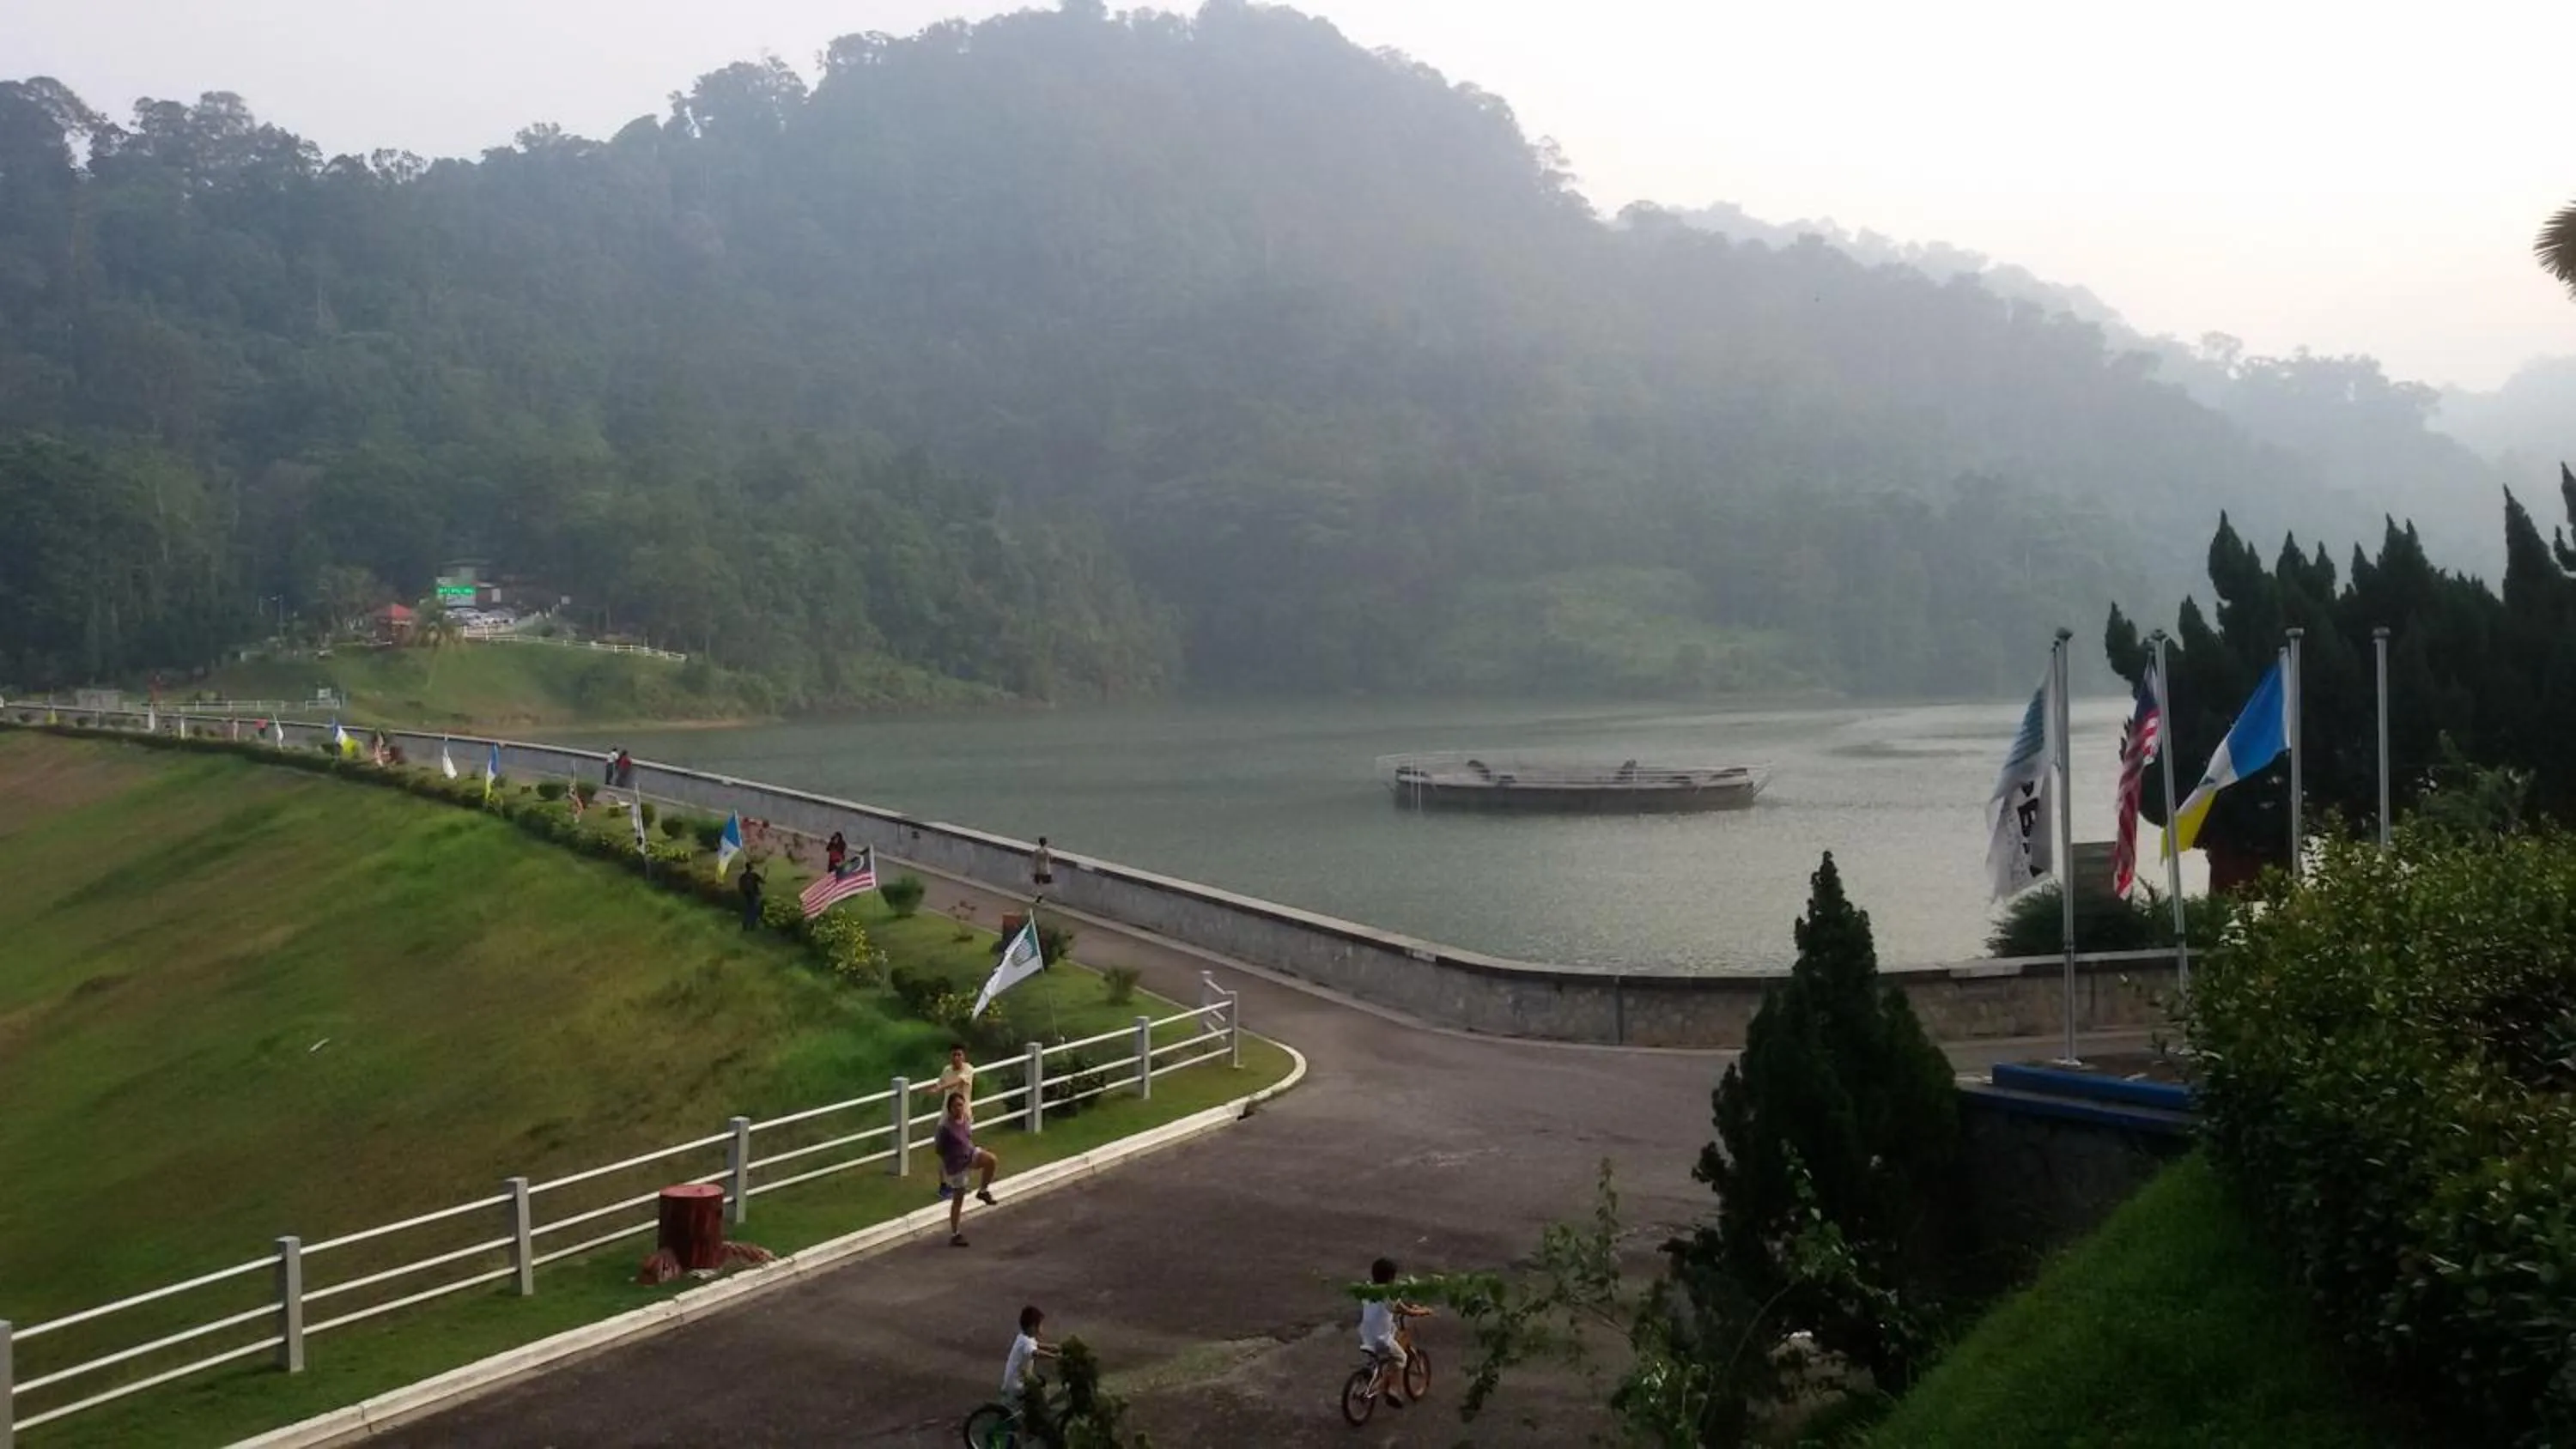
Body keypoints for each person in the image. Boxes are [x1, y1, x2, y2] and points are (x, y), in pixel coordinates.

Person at [1358, 1257, 1430, 1407]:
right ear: (1391, 1278)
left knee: (1387, 1342)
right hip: (1381, 1339)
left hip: (1366, 1335)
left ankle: (1377, 1375)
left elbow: (1395, 1306)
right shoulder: (1389, 1297)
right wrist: (1423, 1311)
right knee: (1401, 1358)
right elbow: (1406, 1311)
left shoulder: (1368, 1290)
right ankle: (1392, 1390)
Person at [933, 1092, 999, 1246]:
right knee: (958, 1199)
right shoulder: (945, 1128)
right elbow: (939, 1149)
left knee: (991, 1160)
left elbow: (968, 1136)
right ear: (949, 1108)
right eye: (955, 1106)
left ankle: (983, 1191)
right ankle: (955, 1234)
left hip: (970, 1154)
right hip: (957, 1165)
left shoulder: (965, 1119)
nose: (959, 1108)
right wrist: (950, 1160)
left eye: (961, 1105)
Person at [1000, 1304, 1059, 1408]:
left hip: (1017, 1380)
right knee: (1038, 1394)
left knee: (1039, 1384)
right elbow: (1035, 1352)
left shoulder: (1024, 1336)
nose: (1042, 1328)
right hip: (1017, 1384)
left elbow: (1035, 1345)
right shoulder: (1025, 1341)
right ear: (1032, 1327)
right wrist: (1054, 1357)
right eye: (1040, 1325)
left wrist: (1052, 1347)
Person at [936, 1043, 975, 1124]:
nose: (956, 1058)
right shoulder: (947, 1070)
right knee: (942, 1130)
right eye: (954, 1055)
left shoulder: (968, 1069)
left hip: (963, 1111)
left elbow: (958, 1081)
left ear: (964, 1057)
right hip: (947, 1111)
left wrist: (941, 1088)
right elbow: (939, 1083)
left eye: (959, 1055)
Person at [738, 858, 765, 931]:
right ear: (751, 868)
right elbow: (762, 881)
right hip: (754, 895)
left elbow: (740, 886)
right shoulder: (754, 875)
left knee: (748, 909)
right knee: (754, 909)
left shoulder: (743, 876)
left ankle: (745, 924)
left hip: (747, 895)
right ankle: (752, 925)